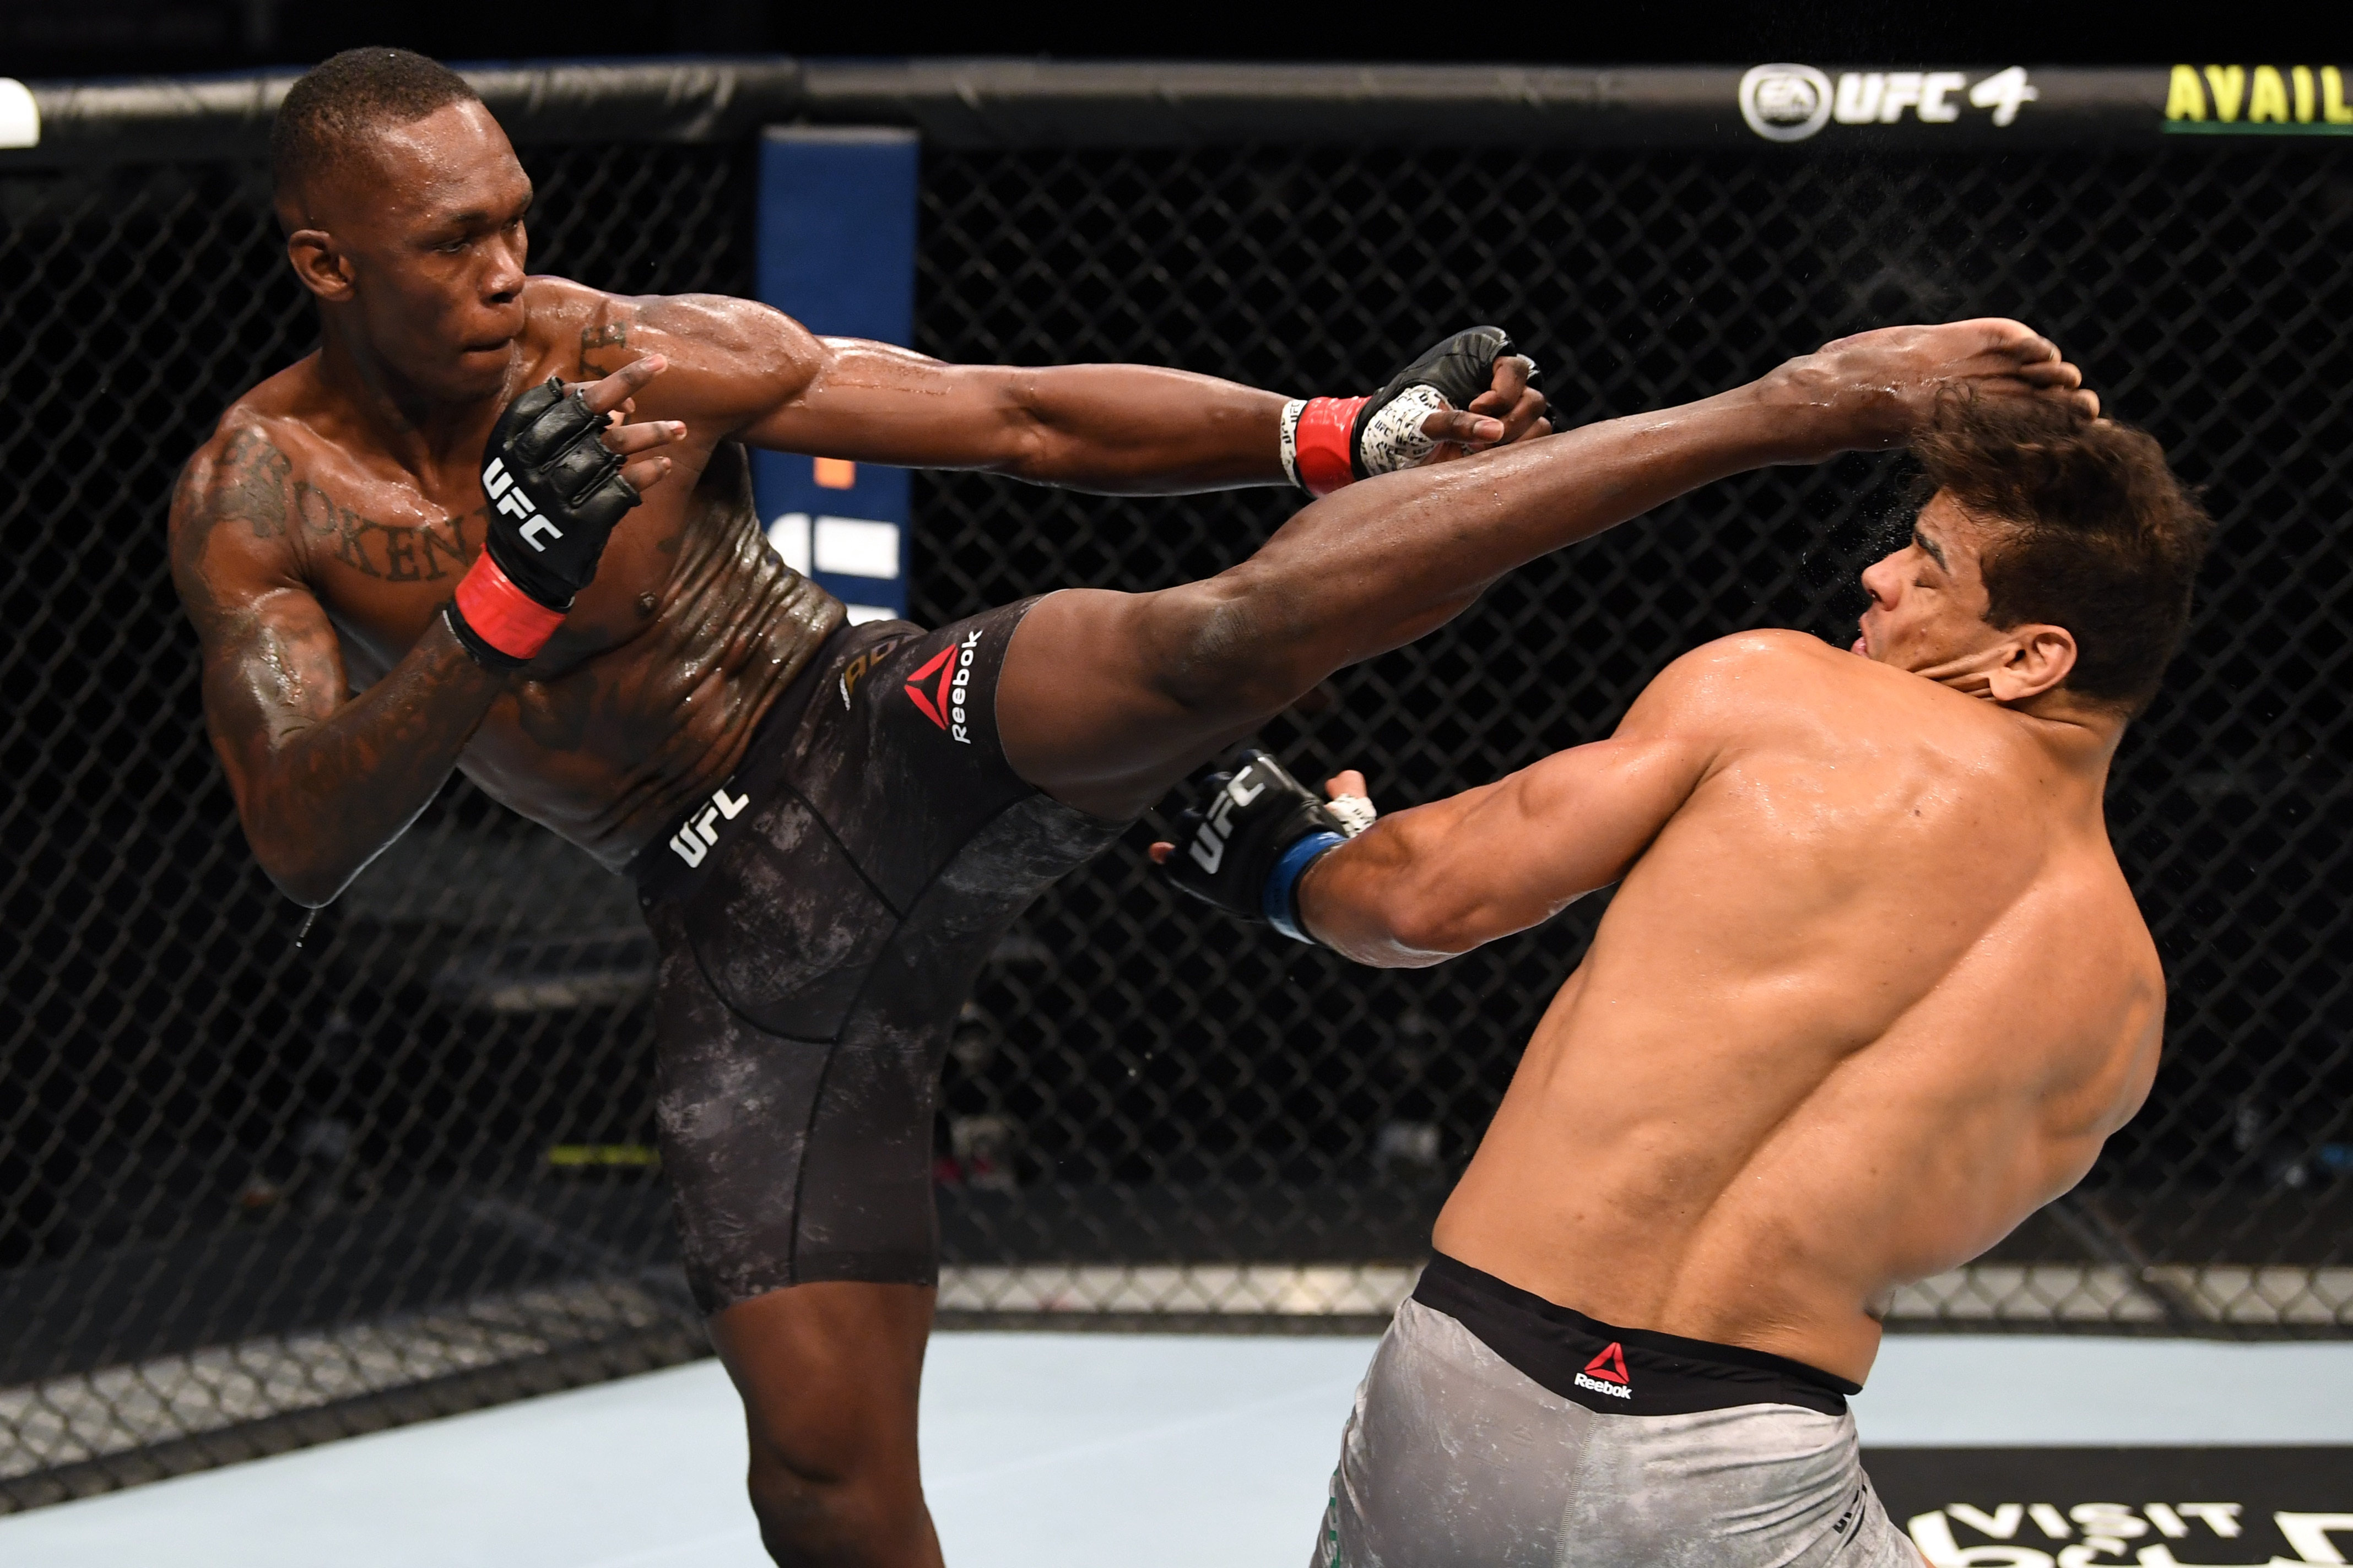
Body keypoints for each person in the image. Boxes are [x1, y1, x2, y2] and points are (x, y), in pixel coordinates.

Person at [171, 42, 2091, 1568]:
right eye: (453, 244)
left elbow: (1015, 416)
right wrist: (501, 597)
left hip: (871, 725)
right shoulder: (262, 499)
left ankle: (1785, 404)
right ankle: (1260, 835)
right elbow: (303, 837)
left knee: (1206, 645)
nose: (507, 271)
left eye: (518, 219)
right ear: (326, 262)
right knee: (822, 1491)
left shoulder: (626, 351)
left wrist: (1334, 433)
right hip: (735, 926)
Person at [1154, 394, 2209, 1568]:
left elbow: (1418, 904)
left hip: (1464, 1402)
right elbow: (1898, 1224)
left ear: (2030, 657)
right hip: (1750, 1469)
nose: (1875, 576)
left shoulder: (1778, 691)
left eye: (1928, 566)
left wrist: (1295, 860)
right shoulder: (2126, 1007)